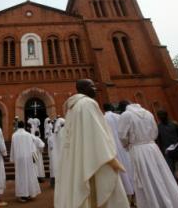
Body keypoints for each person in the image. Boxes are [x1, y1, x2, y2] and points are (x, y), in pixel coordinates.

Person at [55, 79, 129, 208]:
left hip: (78, 156)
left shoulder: (73, 108)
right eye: (92, 86)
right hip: (94, 157)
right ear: (83, 89)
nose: (95, 88)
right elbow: (96, 132)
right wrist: (110, 158)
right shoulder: (88, 103)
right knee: (99, 189)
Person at [118, 101, 178, 208]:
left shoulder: (126, 115)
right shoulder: (148, 113)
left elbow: (122, 135)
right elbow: (155, 132)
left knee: (146, 178)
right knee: (162, 176)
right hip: (153, 148)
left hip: (138, 149)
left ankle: (154, 203)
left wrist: (127, 145)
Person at [103, 103, 135, 204]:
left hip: (112, 147)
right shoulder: (119, 116)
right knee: (130, 167)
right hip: (124, 145)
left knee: (120, 171)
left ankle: (126, 196)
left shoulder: (102, 118)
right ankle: (135, 194)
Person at [10, 121, 41, 202]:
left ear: (18, 126)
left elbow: (12, 148)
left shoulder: (14, 135)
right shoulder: (28, 135)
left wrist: (12, 158)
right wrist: (34, 157)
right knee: (29, 175)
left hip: (19, 158)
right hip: (28, 158)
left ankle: (23, 195)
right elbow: (32, 146)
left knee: (21, 176)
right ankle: (31, 193)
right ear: (23, 126)